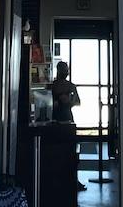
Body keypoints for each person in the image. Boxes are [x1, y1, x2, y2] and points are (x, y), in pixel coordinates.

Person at [50, 61, 86, 193]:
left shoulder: (71, 86)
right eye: (63, 70)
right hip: (55, 121)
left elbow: (78, 102)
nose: (65, 72)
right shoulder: (52, 86)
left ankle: (73, 180)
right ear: (59, 71)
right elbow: (46, 102)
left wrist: (68, 102)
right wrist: (58, 102)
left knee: (72, 152)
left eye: (66, 69)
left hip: (68, 121)